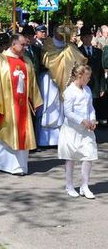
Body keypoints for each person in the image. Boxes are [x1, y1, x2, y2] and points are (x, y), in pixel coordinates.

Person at [0, 34, 43, 175]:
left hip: (22, 106)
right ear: (13, 45)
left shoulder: (27, 61)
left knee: (22, 133)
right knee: (4, 131)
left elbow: (33, 84)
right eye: (22, 45)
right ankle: (1, 163)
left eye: (26, 45)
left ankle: (20, 165)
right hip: (4, 107)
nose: (25, 47)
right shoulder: (0, 62)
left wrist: (36, 100)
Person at [58, 64, 97, 199]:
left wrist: (92, 120)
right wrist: (82, 120)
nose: (89, 79)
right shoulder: (69, 91)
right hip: (72, 130)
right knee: (71, 158)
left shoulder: (87, 90)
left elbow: (91, 107)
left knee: (89, 155)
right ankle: (69, 185)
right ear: (79, 76)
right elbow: (68, 112)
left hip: (86, 130)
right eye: (87, 76)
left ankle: (84, 185)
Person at [78, 26, 105, 122]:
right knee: (84, 107)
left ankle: (93, 125)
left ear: (92, 37)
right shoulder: (78, 52)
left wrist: (102, 87)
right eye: (84, 37)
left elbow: (101, 71)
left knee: (94, 108)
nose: (87, 38)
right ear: (81, 38)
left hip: (96, 85)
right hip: (83, 84)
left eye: (89, 36)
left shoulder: (98, 52)